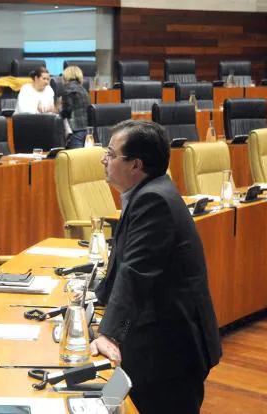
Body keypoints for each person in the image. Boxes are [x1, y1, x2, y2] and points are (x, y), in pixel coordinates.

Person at [90, 120, 222, 414]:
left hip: (171, 351)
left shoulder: (153, 200)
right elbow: (129, 268)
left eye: (111, 154)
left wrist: (109, 334)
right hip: (154, 337)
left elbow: (136, 273)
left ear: (135, 165)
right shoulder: (146, 192)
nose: (104, 159)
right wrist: (101, 306)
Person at [60, 65, 91, 149]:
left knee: (75, 159)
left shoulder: (68, 89)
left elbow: (66, 111)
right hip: (85, 128)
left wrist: (57, 113)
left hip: (74, 130)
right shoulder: (83, 89)